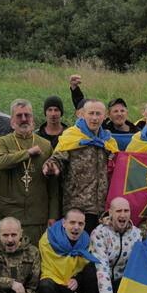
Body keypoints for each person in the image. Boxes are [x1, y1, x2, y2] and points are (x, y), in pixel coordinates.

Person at [47, 99, 119, 232]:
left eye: (98, 114)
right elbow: (57, 158)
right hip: (77, 209)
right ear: (82, 114)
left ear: (105, 116)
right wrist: (52, 166)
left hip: (101, 210)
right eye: (91, 113)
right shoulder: (71, 137)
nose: (95, 118)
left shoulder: (109, 142)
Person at [38, 209, 112, 293]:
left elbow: (84, 269)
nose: (76, 227)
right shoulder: (47, 241)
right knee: (46, 286)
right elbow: (49, 274)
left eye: (80, 224)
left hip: (76, 292)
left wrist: (77, 280)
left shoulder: (85, 240)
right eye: (72, 223)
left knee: (92, 270)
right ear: (64, 223)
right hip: (57, 291)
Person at [0, 99, 52, 245]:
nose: (23, 119)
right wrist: (28, 153)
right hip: (9, 215)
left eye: (27, 115)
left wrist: (53, 214)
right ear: (12, 121)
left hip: (37, 215)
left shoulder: (45, 144)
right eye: (19, 116)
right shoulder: (3, 142)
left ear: (33, 119)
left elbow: (53, 185)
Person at [90, 197, 142, 293]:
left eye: (126, 211)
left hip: (122, 284)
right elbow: (102, 268)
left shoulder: (137, 234)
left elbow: (137, 267)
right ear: (110, 213)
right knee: (90, 270)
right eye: (118, 211)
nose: (123, 215)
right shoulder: (99, 233)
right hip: (98, 284)